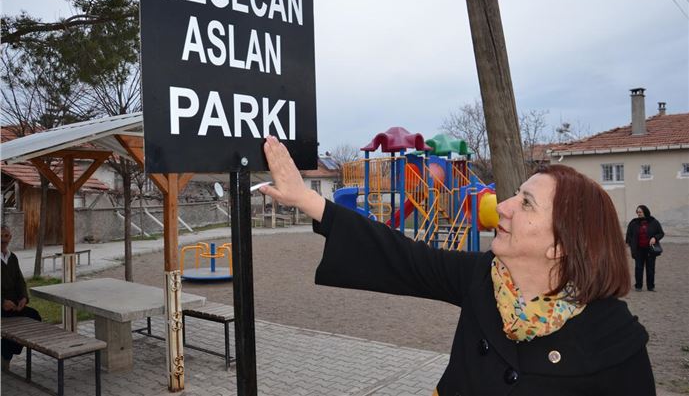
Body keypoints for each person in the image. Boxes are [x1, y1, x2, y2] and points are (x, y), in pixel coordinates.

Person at [259, 136, 655, 396]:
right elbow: (402, 257)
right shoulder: (483, 278)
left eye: (526, 203)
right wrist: (306, 199)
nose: (503, 207)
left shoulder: (614, 340)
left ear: (560, 246)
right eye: (515, 195)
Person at [1, 225, 42, 371]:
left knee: (34, 316)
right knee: (12, 326)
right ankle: (5, 356)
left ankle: (5, 352)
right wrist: (2, 302)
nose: (3, 240)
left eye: (6, 236)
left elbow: (20, 281)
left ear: (10, 238)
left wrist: (23, 298)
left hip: (13, 306)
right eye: (0, 236)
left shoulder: (12, 257)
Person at [626, 205, 664, 292]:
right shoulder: (633, 223)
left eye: (640, 212)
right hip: (638, 249)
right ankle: (638, 286)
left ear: (645, 212)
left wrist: (655, 238)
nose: (638, 214)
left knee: (650, 268)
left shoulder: (654, 222)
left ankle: (650, 286)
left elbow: (661, 233)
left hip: (650, 249)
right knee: (638, 268)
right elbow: (629, 235)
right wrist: (628, 243)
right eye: (637, 212)